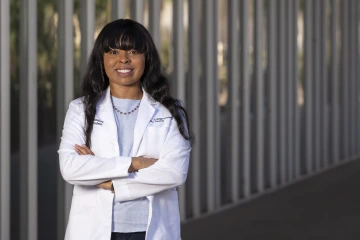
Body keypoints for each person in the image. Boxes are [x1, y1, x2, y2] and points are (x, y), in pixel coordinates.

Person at [58, 19, 191, 240]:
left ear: (146, 57)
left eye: (133, 51)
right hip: (94, 229)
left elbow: (174, 172)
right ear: (101, 59)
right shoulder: (80, 109)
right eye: (113, 51)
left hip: (151, 229)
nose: (123, 59)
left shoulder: (169, 111)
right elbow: (71, 167)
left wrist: (110, 183)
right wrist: (134, 163)